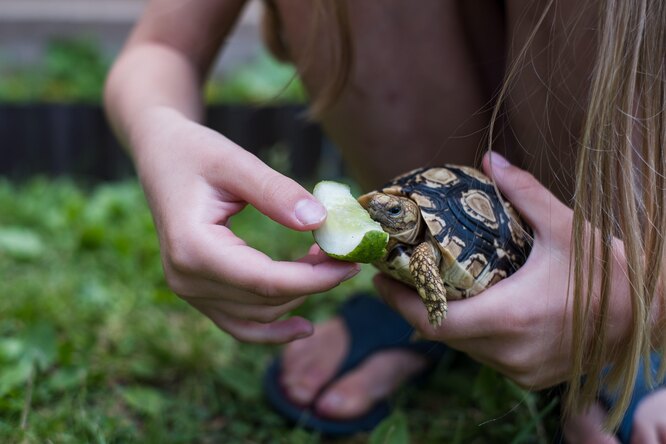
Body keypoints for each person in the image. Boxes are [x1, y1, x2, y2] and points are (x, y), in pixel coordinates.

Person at [104, 0, 666, 441]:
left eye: (391, 212)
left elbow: (425, 252)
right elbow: (159, 48)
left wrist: (654, 296)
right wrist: (161, 133)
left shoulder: (423, 248)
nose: (383, 213)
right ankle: (436, 327)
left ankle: (628, 310)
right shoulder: (400, 222)